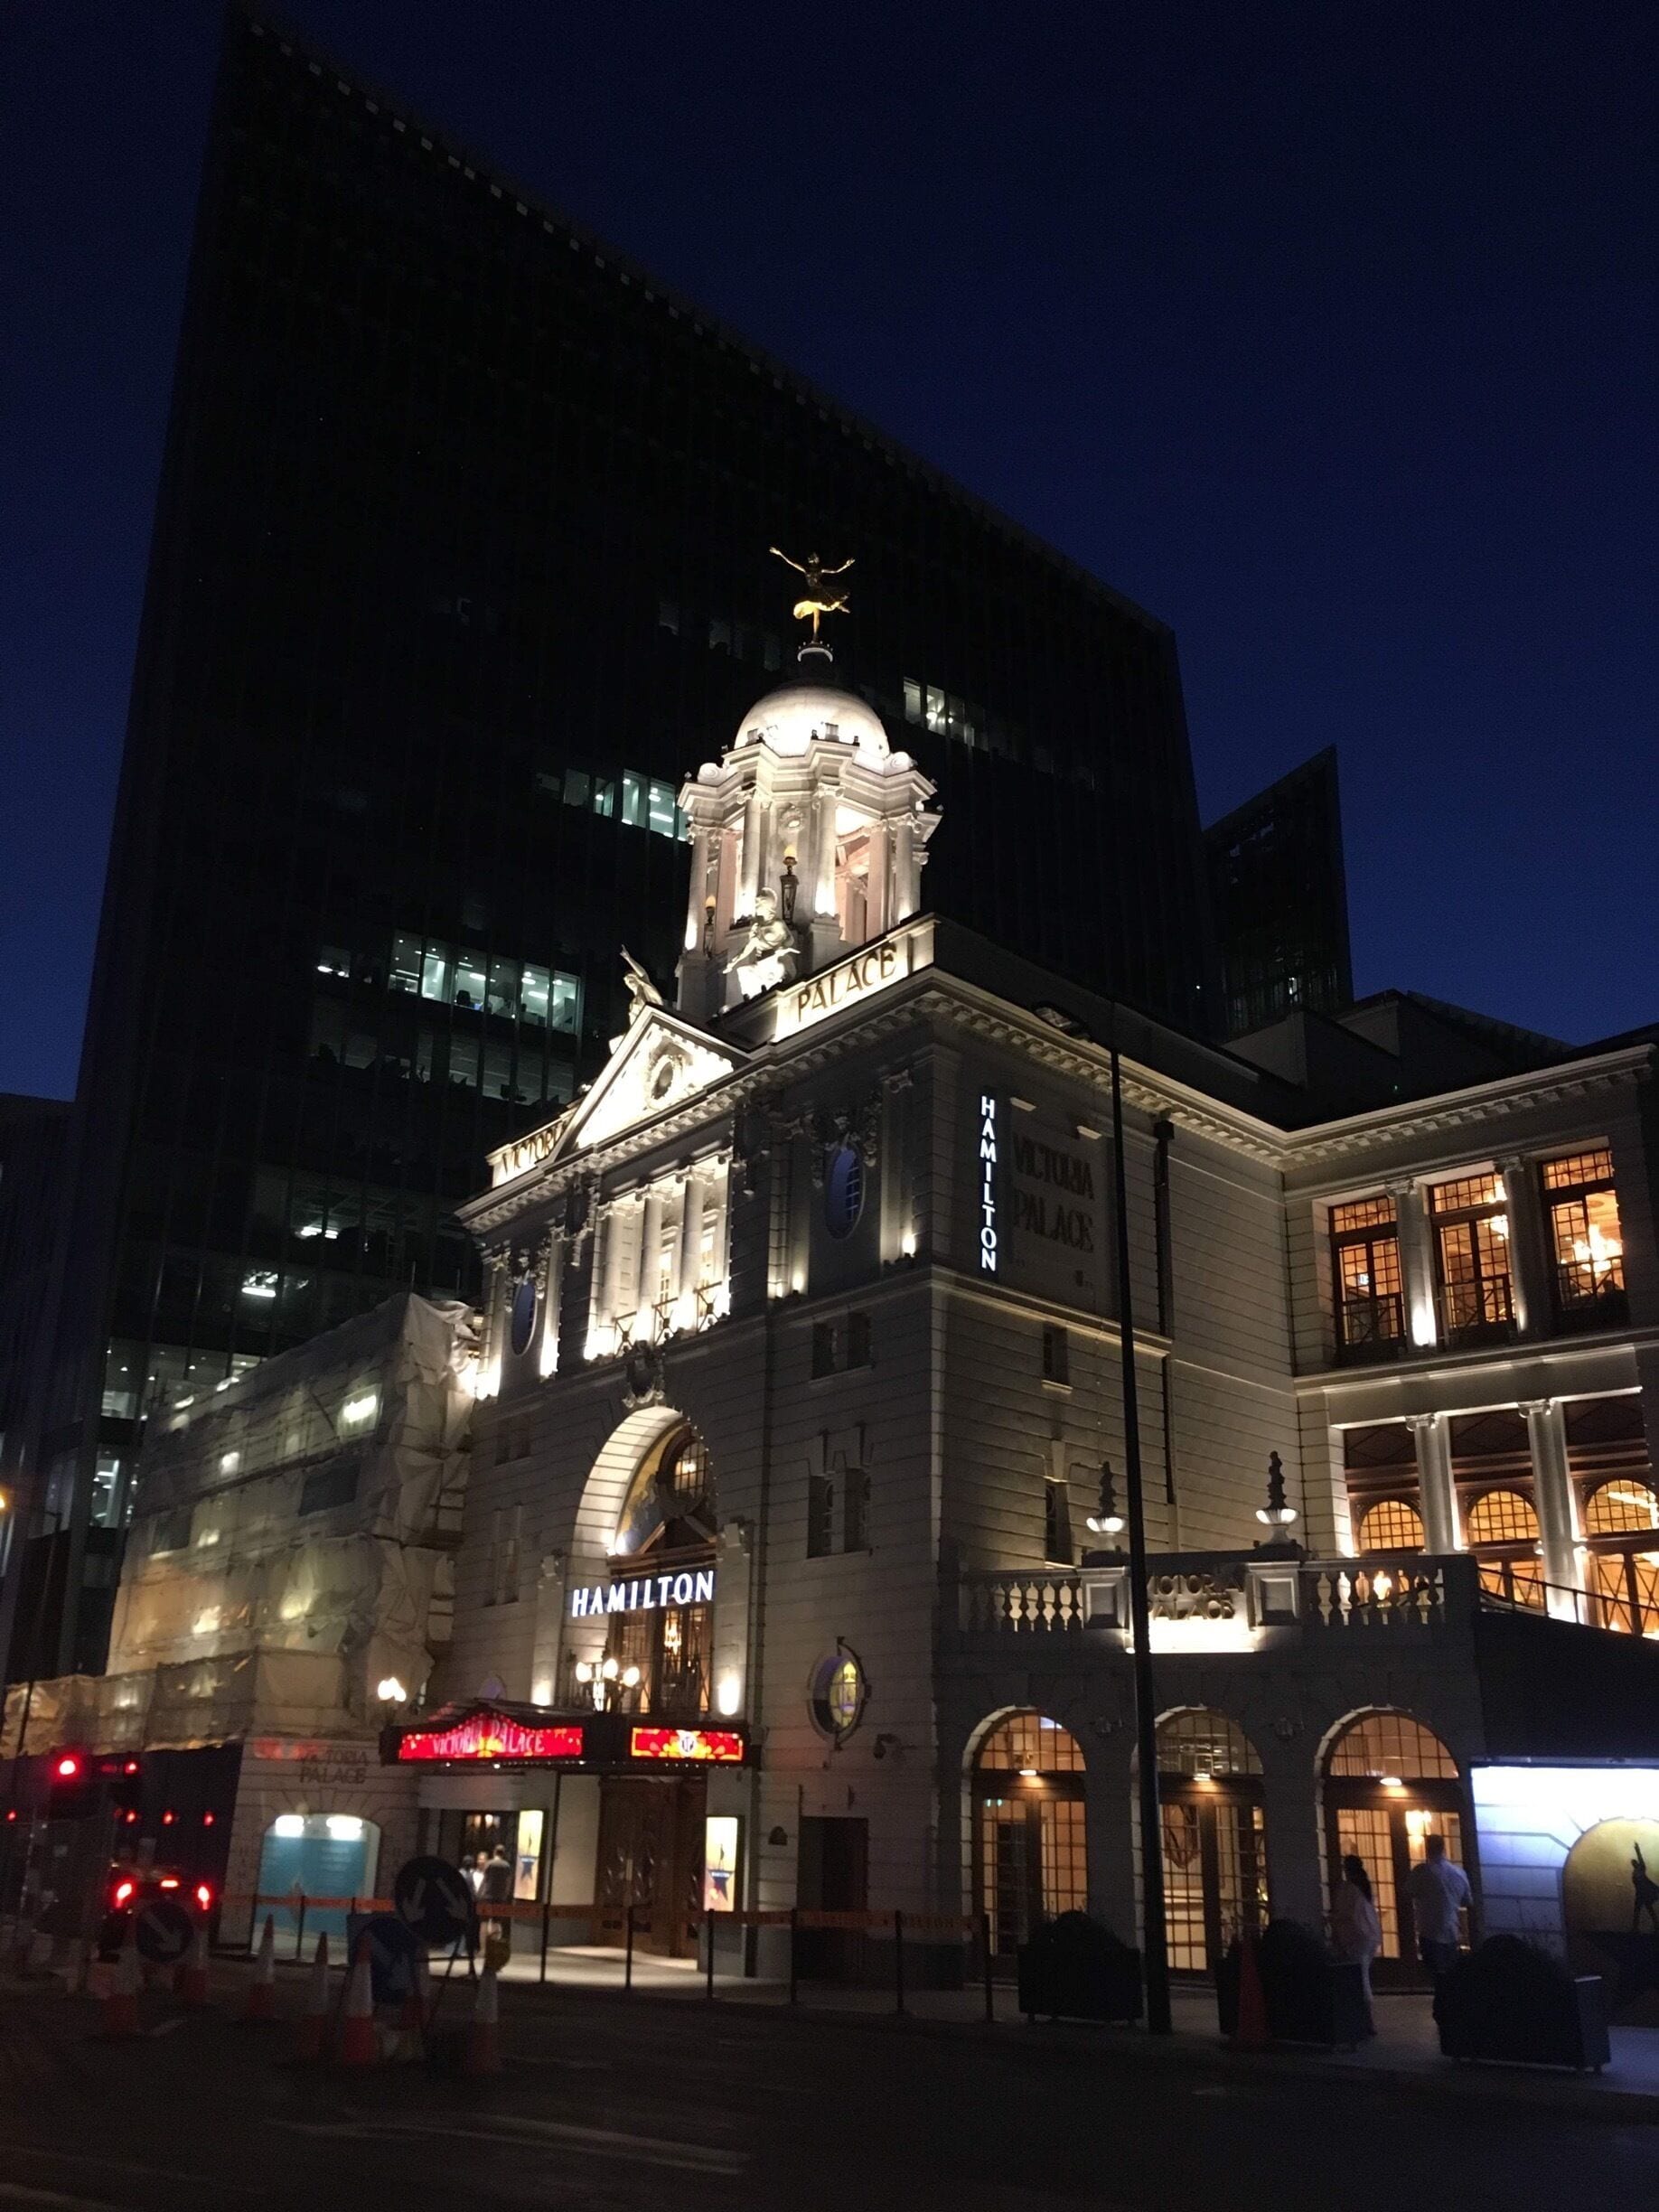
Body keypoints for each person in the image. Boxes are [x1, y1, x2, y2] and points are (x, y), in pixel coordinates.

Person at [1405, 1832, 1471, 1980]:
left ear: (1427, 1849)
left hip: (1429, 1930)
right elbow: (1467, 1901)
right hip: (1452, 1930)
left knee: (1434, 1974)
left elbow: (1408, 1893)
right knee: (1450, 1974)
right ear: (1443, 1848)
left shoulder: (1421, 1871)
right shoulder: (1459, 1873)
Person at [1329, 1855, 1382, 2035]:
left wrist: (1333, 1923)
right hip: (1369, 1935)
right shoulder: (1363, 1887)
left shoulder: (1347, 1890)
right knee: (1363, 1975)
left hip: (1356, 1937)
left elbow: (1345, 1915)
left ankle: (1367, 2021)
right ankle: (1367, 2020)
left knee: (1361, 1978)